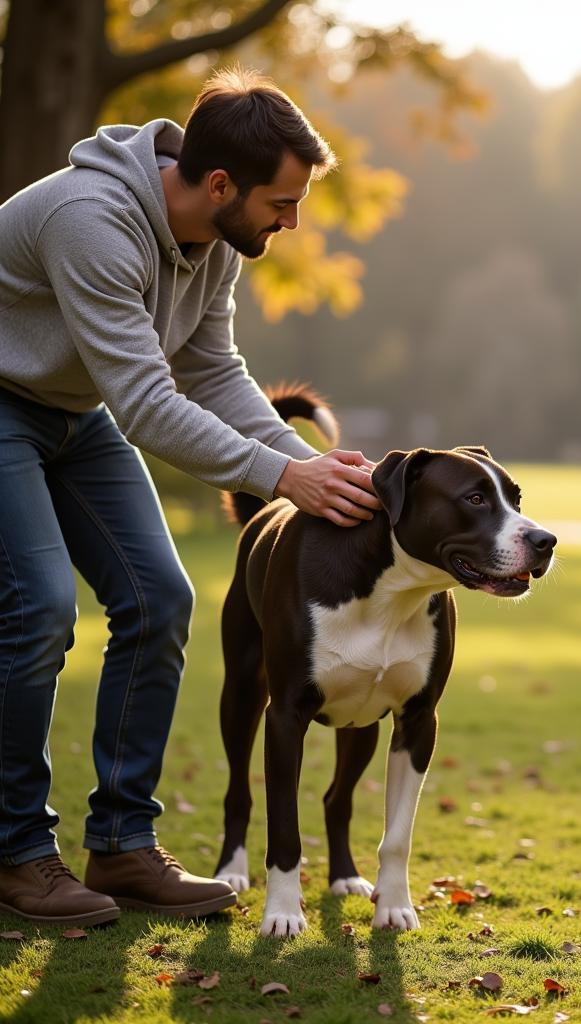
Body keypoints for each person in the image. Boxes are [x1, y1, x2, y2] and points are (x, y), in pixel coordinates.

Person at [0, 67, 381, 926]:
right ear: (219, 185)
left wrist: (304, 464)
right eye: (283, 204)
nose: (291, 222)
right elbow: (146, 404)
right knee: (39, 610)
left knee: (160, 598)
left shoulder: (214, 242)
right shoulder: (91, 223)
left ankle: (123, 846)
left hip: (69, 410)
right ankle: (16, 854)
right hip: (6, 404)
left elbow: (210, 369)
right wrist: (286, 477)